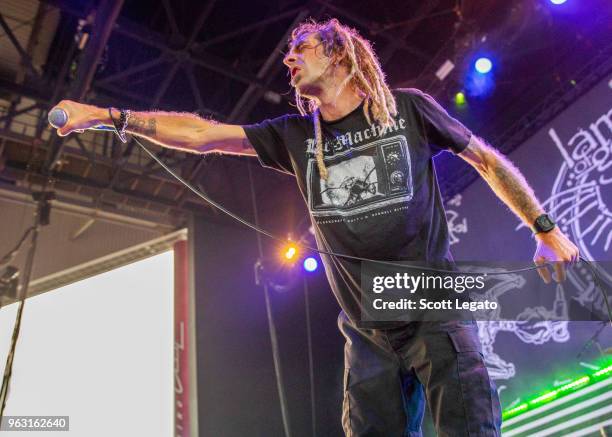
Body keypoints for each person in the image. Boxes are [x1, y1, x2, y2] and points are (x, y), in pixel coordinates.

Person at [51, 18, 579, 437]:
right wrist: (106, 114)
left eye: (300, 47)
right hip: (366, 333)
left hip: (432, 312)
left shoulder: (409, 111)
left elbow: (486, 160)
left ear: (340, 54)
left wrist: (545, 229)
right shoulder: (295, 137)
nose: (288, 58)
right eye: (287, 53)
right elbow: (202, 134)